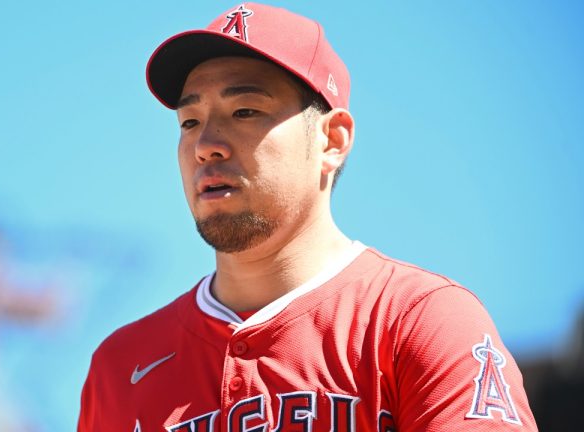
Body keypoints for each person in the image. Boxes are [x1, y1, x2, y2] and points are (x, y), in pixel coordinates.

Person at [78, 3, 537, 431]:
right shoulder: (121, 364)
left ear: (332, 140)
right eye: (189, 122)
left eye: (244, 110)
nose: (205, 144)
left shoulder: (421, 319)